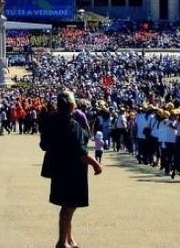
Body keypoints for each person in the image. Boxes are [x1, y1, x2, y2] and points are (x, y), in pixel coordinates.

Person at [40, 90, 102, 248]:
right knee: (69, 206)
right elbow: (80, 151)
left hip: (58, 167)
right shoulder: (71, 124)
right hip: (72, 170)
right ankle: (62, 241)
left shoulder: (52, 121)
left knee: (67, 206)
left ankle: (68, 238)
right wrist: (95, 163)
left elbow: (44, 144)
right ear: (72, 106)